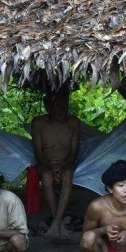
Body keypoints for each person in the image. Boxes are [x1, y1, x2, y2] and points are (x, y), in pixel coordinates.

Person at [31, 88, 80, 238]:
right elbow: (38, 153)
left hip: (67, 163)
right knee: (46, 177)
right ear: (48, 108)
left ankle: (56, 222)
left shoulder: (73, 123)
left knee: (68, 176)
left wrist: (62, 165)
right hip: (45, 163)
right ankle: (56, 219)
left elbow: (74, 152)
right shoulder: (39, 123)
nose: (62, 111)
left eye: (65, 106)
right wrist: (51, 166)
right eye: (58, 107)